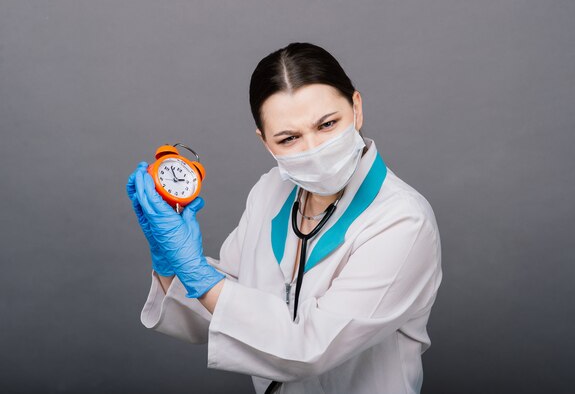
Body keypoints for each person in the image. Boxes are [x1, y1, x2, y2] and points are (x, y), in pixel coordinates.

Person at [126, 42, 443, 394]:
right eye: (289, 138)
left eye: (327, 124)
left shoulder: (403, 221)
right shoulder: (269, 193)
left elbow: (309, 349)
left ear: (356, 107)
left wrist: (197, 273)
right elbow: (225, 303)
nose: (313, 149)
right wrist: (172, 265)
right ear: (265, 142)